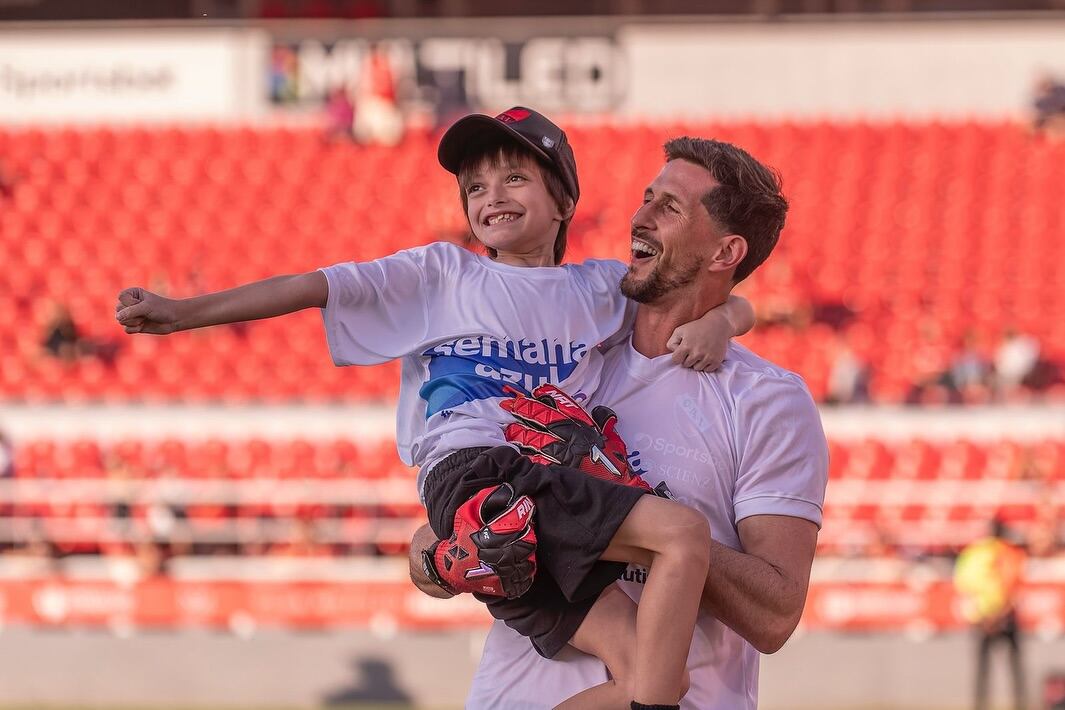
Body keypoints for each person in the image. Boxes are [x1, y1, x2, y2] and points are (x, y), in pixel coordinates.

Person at [115, 107, 753, 710]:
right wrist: (184, 314)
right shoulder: (441, 274)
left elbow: (709, 294)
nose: (491, 195)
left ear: (564, 200)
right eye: (474, 187)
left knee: (653, 675)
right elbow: (312, 286)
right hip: (477, 477)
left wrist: (723, 321)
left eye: (513, 177)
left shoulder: (596, 288)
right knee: (684, 535)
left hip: (544, 489)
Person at [410, 136, 829, 709]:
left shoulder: (767, 400)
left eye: (670, 207)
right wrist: (439, 560)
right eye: (647, 197)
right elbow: (442, 532)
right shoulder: (565, 352)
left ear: (725, 252)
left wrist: (624, 516)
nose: (641, 216)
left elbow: (776, 613)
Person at [954, 517, 1028, 710]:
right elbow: (1015, 585)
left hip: (982, 617)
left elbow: (963, 585)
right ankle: (1019, 704)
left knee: (982, 668)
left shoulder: (972, 553)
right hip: (1004, 616)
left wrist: (983, 616)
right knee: (1014, 666)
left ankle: (980, 704)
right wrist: (1000, 614)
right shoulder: (1010, 552)